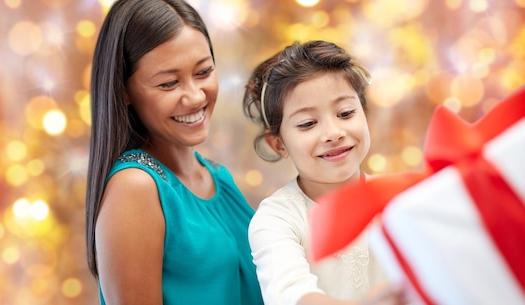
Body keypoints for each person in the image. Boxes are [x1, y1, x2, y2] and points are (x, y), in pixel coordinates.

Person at [84, 0, 264, 304]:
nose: (195, 97)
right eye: (169, 83)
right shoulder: (135, 189)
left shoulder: (218, 176)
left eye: (204, 71)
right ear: (123, 91)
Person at [242, 40, 407, 305]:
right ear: (279, 144)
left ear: (364, 115)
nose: (333, 133)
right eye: (308, 123)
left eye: (345, 113)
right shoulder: (277, 218)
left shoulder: (400, 197)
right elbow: (293, 296)